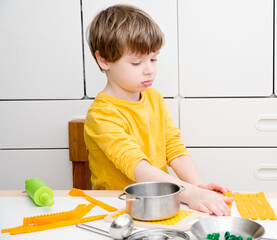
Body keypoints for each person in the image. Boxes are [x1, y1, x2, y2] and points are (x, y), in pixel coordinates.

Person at [84, 4, 233, 216]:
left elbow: (175, 149)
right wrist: (189, 194)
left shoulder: (154, 99)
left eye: (154, 59)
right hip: (119, 208)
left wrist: (199, 188)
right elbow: (138, 167)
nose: (149, 69)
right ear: (104, 60)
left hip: (160, 202)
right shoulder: (101, 114)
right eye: (136, 62)